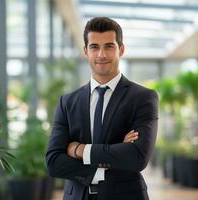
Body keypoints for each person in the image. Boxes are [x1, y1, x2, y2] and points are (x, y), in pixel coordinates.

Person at [46, 17, 158, 200]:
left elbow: (137, 157)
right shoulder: (67, 102)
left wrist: (79, 150)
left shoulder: (143, 98)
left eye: (109, 46)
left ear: (121, 49)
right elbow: (54, 162)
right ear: (85, 51)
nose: (101, 55)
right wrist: (110, 159)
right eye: (94, 47)